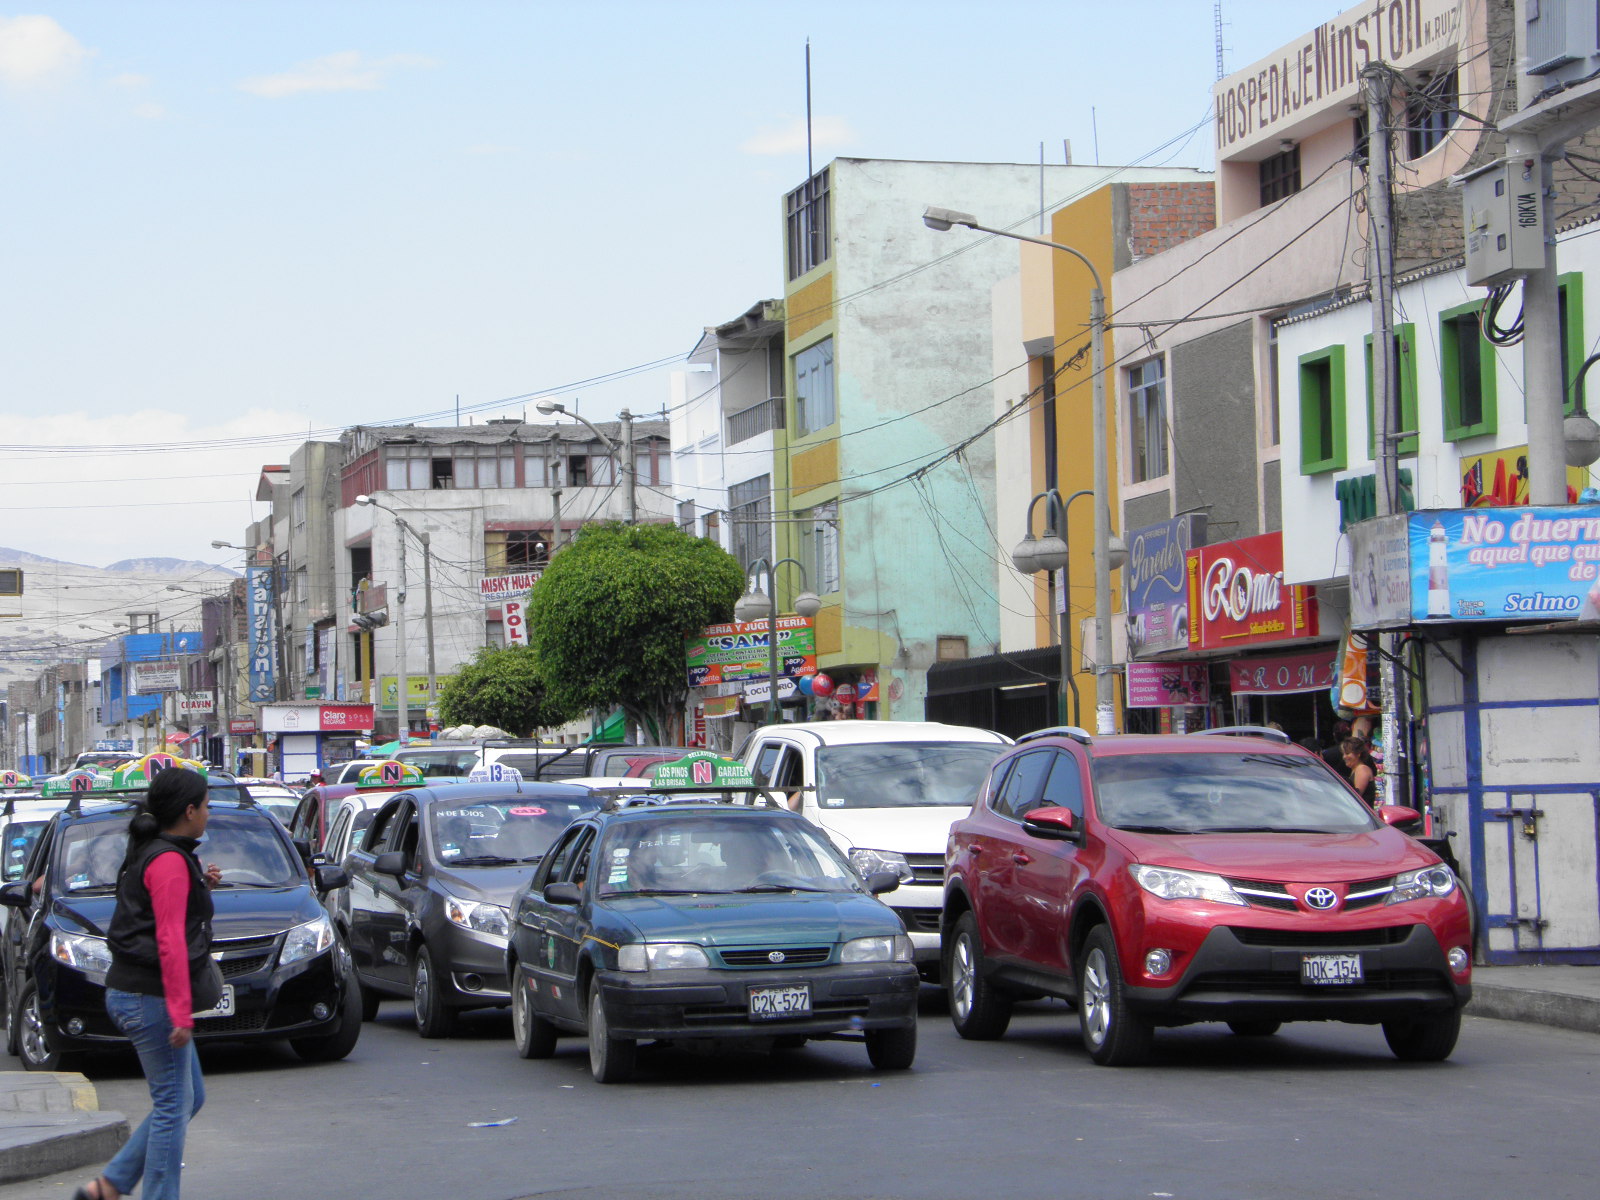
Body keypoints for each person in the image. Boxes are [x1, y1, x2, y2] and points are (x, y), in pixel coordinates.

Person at [75, 767, 222, 1200]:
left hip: (138, 992)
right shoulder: (168, 860)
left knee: (188, 1098)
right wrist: (180, 1012)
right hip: (149, 997)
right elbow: (170, 941)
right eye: (207, 805)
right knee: (173, 1106)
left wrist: (203, 885)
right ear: (190, 810)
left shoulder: (164, 854)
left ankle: (110, 1184)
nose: (209, 814)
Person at [1341, 737, 1379, 808]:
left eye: (1347, 753)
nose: (1344, 757)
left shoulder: (1362, 769)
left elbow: (1356, 796)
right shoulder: (1355, 770)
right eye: (1343, 754)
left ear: (1358, 754)